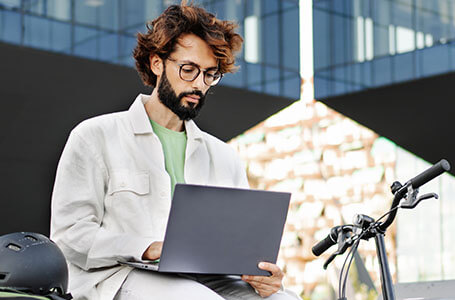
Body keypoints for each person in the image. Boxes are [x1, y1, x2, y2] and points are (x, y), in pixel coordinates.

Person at [49, 2, 301, 300]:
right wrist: (147, 246)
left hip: (205, 280)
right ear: (157, 63)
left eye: (209, 74)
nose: (199, 85)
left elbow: (238, 245)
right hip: (117, 278)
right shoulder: (94, 136)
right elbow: (69, 237)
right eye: (188, 70)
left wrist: (263, 276)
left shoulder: (224, 157)